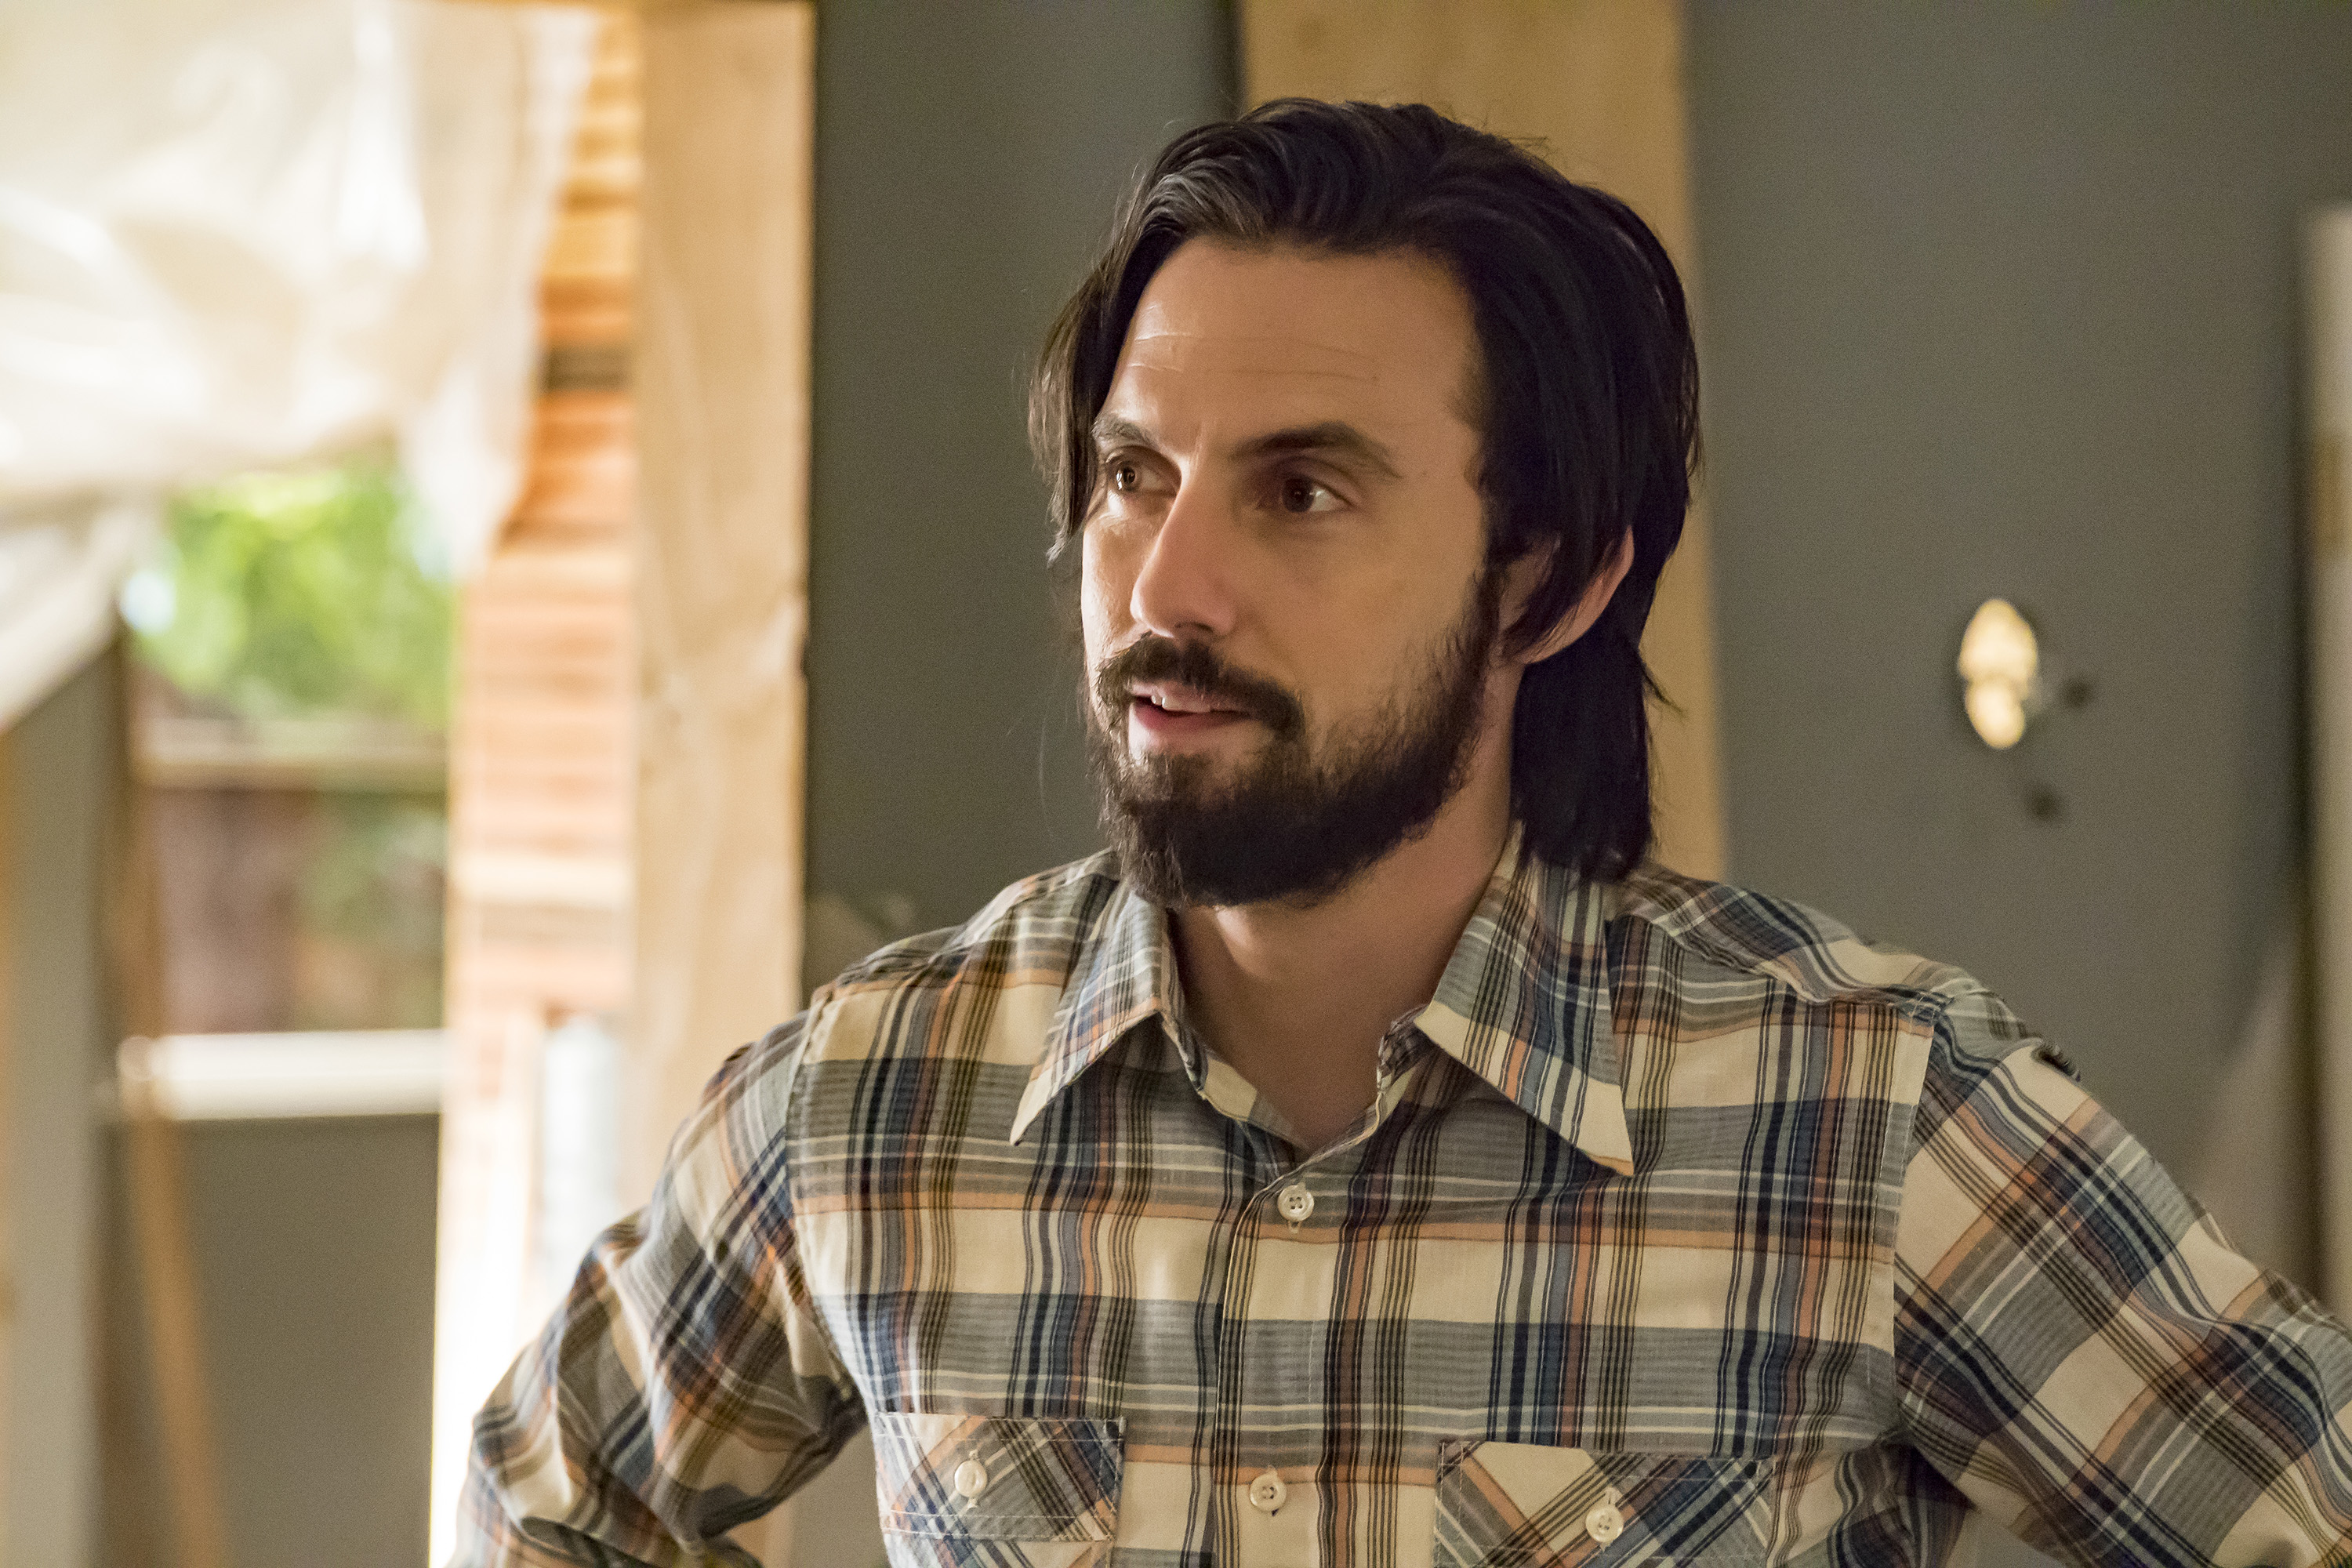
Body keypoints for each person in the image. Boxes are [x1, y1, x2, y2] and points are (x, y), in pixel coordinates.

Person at [456, 100, 2352, 1567]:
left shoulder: (1867, 1117)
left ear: (1549, 580)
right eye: (1133, 475)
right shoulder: (872, 1105)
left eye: (1301, 491)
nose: (1164, 589)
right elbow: (549, 1503)